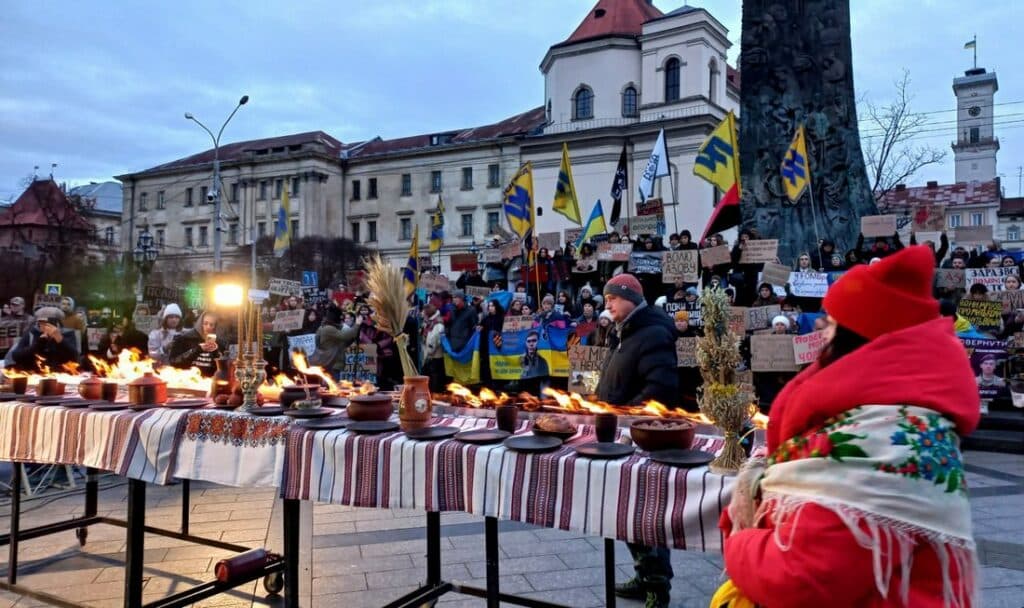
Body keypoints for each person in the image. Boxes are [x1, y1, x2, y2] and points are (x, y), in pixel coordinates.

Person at [719, 246, 979, 607]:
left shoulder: (888, 439)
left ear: (856, 336)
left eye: (832, 321)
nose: (822, 329)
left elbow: (801, 579)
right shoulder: (882, 418)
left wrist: (739, 539)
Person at [596, 274, 678, 608]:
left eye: (612, 298)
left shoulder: (652, 332)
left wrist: (632, 424)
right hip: (622, 432)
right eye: (605, 300)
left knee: (643, 514)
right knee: (625, 512)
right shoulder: (624, 331)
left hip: (642, 438)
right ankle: (644, 575)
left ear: (630, 296)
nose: (608, 304)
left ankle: (657, 588)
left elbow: (660, 389)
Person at [8, 307, 79, 371]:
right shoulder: (32, 333)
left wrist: (60, 340)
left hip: (60, 374)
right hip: (34, 374)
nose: (43, 326)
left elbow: (75, 357)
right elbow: (16, 356)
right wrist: (38, 344)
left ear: (57, 323)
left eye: (47, 323)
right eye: (40, 323)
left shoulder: (67, 333)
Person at [168, 312, 226, 376]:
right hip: (187, 379)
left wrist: (216, 352)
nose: (208, 327)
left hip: (208, 381)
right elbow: (174, 362)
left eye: (211, 324)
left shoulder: (219, 343)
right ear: (201, 324)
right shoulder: (186, 338)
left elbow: (222, 369)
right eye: (205, 323)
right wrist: (197, 349)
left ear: (215, 326)